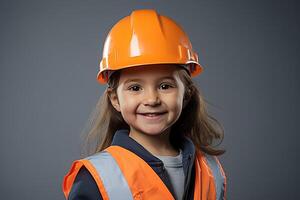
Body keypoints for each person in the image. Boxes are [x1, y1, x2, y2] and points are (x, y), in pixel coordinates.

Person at [62, 9, 227, 200]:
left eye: (165, 86)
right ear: (115, 99)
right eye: (135, 88)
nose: (151, 99)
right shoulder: (96, 178)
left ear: (187, 93)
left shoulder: (211, 171)